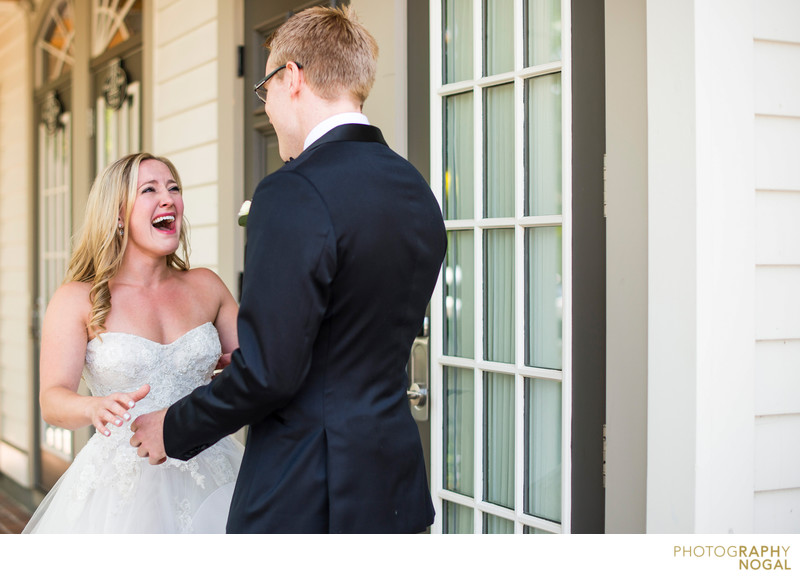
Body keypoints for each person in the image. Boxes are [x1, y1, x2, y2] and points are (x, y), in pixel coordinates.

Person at [130, 5, 447, 534]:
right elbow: (353, 333)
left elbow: (270, 375)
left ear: (291, 78)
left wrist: (173, 427)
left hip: (308, 493)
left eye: (267, 91)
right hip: (393, 487)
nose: (269, 110)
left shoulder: (292, 189)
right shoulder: (416, 190)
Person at [23, 152, 243, 533]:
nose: (168, 198)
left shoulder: (207, 286)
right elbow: (52, 400)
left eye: (174, 188)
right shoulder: (79, 298)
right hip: (119, 490)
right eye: (150, 190)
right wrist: (93, 407)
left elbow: (259, 370)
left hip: (213, 471)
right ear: (119, 215)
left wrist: (235, 369)